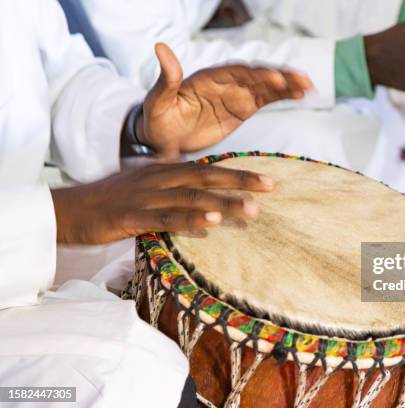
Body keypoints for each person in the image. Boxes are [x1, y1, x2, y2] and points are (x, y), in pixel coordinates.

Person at [76, 0, 405, 392]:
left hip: (311, 46)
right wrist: (354, 63)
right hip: (172, 116)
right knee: (335, 151)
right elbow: (148, 62)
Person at [0, 0, 311, 406]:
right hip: (25, 235)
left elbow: (60, 73)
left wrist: (137, 127)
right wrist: (60, 216)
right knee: (131, 379)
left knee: (239, 241)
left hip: (36, 231)